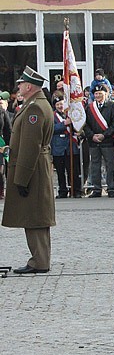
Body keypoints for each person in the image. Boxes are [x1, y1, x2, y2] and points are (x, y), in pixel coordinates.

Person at [2, 67, 55, 274]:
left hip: (31, 169)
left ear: (29, 86)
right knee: (35, 215)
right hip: (36, 167)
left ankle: (39, 261)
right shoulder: (37, 105)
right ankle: (39, 259)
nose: (18, 87)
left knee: (35, 216)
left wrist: (21, 178)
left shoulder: (35, 109)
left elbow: (30, 146)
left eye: (21, 84)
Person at [84, 84, 114, 197]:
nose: (98, 95)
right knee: (95, 165)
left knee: (110, 165)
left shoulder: (112, 106)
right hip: (94, 142)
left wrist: (104, 135)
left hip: (107, 141)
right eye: (96, 94)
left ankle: (111, 188)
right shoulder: (90, 108)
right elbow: (85, 124)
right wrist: (92, 136)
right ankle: (97, 189)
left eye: (100, 93)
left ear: (106, 94)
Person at [51, 97, 81, 199]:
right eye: (58, 104)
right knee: (60, 172)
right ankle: (62, 191)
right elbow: (51, 129)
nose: (60, 106)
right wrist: (64, 124)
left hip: (70, 146)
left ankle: (76, 190)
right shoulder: (52, 116)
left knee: (73, 171)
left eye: (61, 104)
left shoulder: (71, 113)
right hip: (58, 148)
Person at [0, 90, 12, 200]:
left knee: (1, 170)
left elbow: (8, 129)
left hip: (1, 143)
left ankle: (1, 192)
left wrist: (9, 145)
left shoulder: (2, 112)